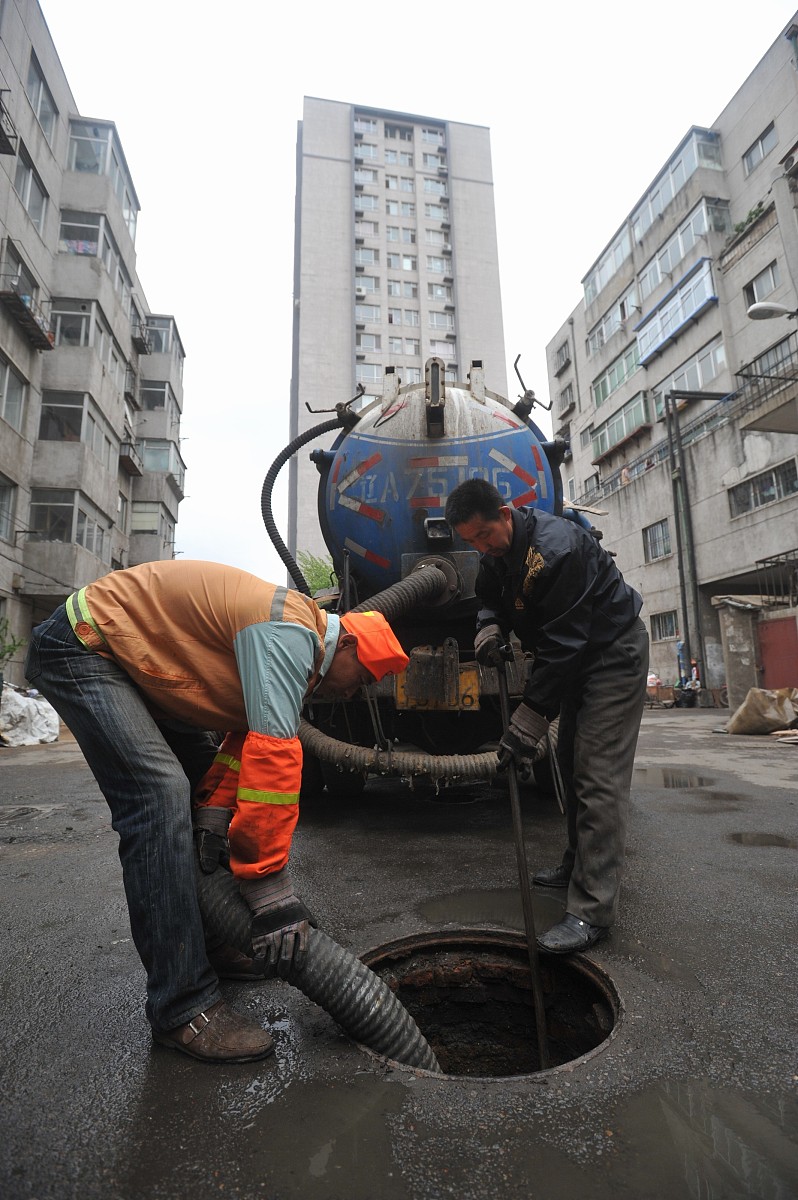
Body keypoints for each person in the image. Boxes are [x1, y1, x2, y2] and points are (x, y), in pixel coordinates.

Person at [24, 560, 409, 1063]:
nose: (354, 691)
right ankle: (183, 1006)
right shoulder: (292, 634)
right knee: (159, 798)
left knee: (196, 783)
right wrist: (270, 889)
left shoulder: (301, 648)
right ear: (352, 646)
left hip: (139, 667)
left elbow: (241, 740)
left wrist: (212, 811)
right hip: (85, 644)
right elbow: (273, 759)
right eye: (362, 678)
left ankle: (211, 937)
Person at [445, 480, 648, 954]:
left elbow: (562, 649)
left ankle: (592, 912)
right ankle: (578, 862)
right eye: (470, 541)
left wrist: (526, 725)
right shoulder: (495, 553)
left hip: (611, 655)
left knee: (598, 776)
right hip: (575, 658)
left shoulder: (558, 549)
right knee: (569, 762)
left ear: (505, 514)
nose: (480, 547)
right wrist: (488, 629)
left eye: (484, 535)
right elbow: (489, 596)